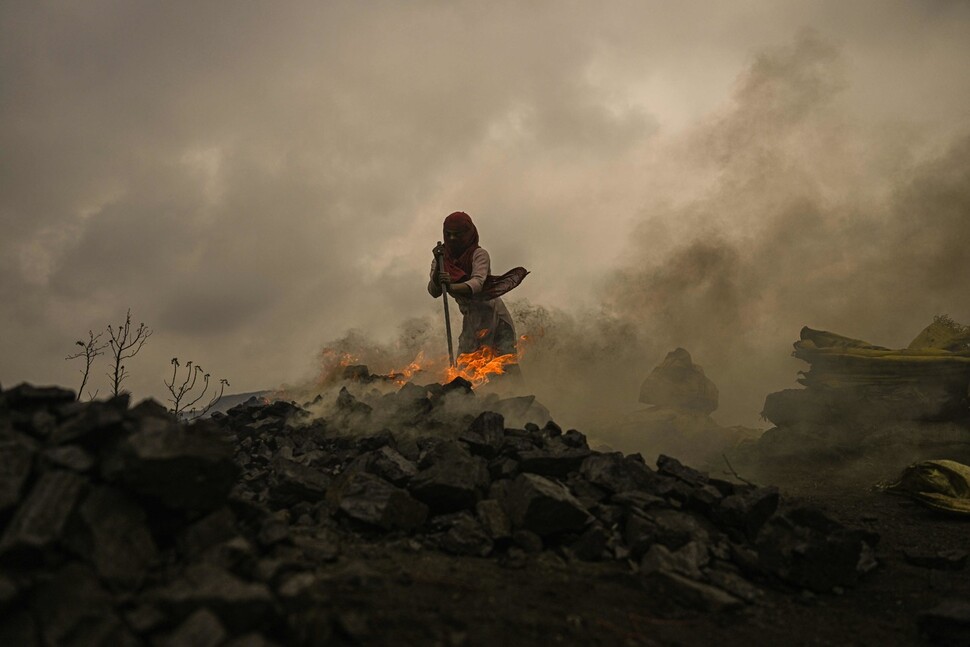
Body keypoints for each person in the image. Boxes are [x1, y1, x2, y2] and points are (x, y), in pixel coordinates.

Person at [428, 211, 528, 359]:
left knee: (503, 366)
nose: (452, 238)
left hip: (494, 317)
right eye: (448, 234)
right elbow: (434, 291)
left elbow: (477, 283)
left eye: (457, 234)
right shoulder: (441, 259)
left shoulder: (479, 254)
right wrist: (438, 270)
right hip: (470, 320)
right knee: (465, 367)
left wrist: (451, 287)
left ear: (468, 233)